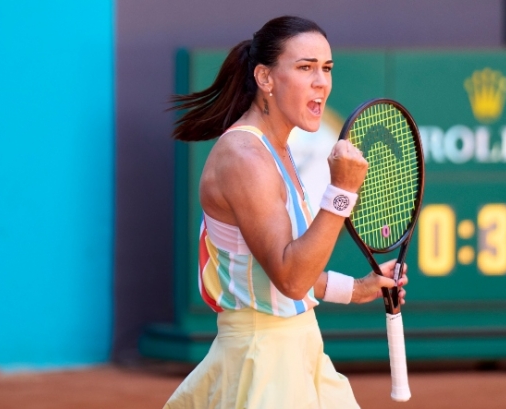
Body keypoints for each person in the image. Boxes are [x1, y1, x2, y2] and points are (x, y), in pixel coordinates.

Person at [164, 16, 408, 409]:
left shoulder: (276, 151)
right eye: (305, 67)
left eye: (327, 69)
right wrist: (342, 191)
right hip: (261, 362)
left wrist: (357, 289)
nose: (321, 82)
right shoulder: (244, 157)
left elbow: (283, 271)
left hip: (299, 350)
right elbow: (291, 278)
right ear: (265, 77)